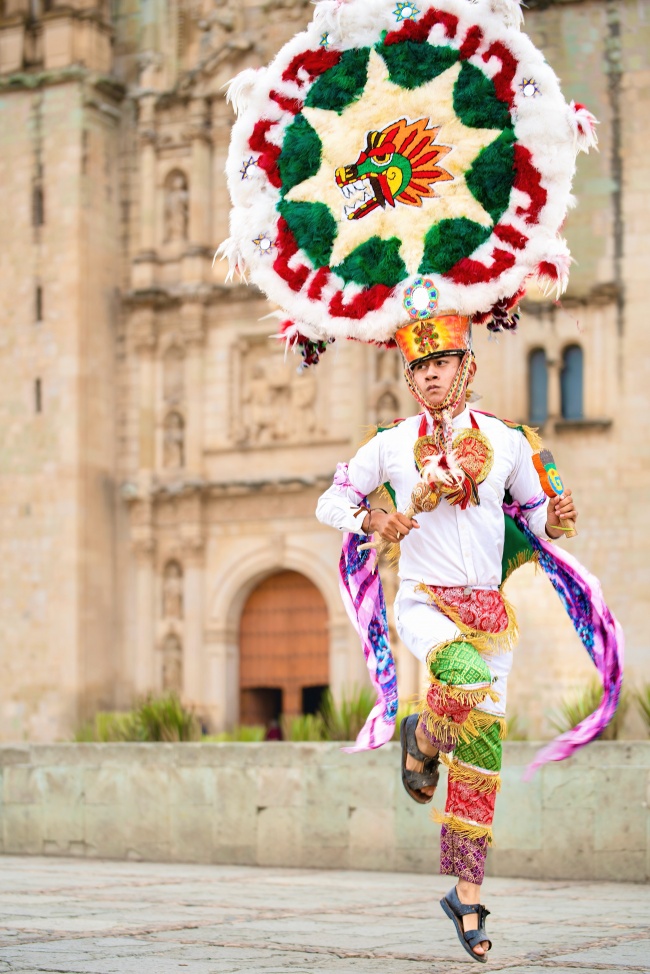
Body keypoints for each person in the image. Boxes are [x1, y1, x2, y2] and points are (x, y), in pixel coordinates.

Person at [316, 313, 577, 962]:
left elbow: (535, 517)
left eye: (442, 363)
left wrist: (556, 517)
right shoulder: (393, 443)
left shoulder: (509, 443)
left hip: (491, 614)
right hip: (424, 604)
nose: (431, 375)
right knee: (461, 680)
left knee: (482, 757)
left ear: (468, 368)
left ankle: (466, 892)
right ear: (409, 378)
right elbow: (330, 501)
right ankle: (423, 737)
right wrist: (373, 514)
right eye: (419, 368)